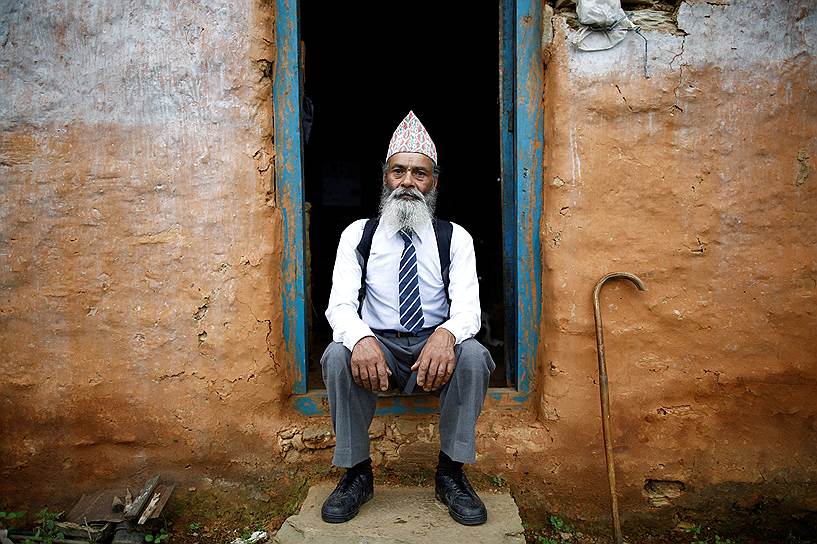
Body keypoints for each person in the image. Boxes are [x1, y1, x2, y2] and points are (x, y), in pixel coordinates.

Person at [320, 111, 496, 526]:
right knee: (334, 355)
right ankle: (356, 473)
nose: (408, 182)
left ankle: (451, 473)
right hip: (379, 347)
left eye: (420, 173)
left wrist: (446, 335)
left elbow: (469, 307)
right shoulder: (357, 234)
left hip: (432, 349)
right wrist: (362, 339)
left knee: (473, 356)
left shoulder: (455, 237)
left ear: (434, 182)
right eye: (398, 171)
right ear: (385, 177)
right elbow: (340, 305)